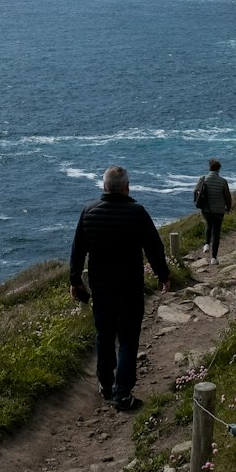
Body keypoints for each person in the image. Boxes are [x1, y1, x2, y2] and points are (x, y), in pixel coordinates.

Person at [69, 165, 171, 412]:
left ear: (104, 187)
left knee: (104, 336)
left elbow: (77, 250)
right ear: (127, 187)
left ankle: (105, 385)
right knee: (127, 340)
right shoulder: (137, 212)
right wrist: (163, 276)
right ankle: (122, 393)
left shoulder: (88, 212)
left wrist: (75, 280)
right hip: (130, 288)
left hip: (101, 289)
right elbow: (154, 248)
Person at [195, 158, 232, 265]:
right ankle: (214, 258)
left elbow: (196, 191)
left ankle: (206, 244)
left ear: (209, 168)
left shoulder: (203, 179)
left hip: (206, 209)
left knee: (208, 224)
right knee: (216, 232)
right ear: (218, 169)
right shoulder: (223, 181)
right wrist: (228, 208)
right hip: (219, 211)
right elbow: (228, 197)